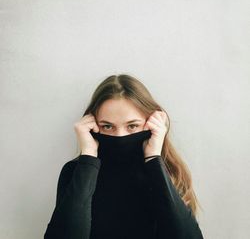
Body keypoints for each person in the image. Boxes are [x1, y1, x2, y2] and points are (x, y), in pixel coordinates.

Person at [44, 74, 204, 239]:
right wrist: (88, 159)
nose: (120, 136)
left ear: (150, 123)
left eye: (132, 126)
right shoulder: (75, 172)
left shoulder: (170, 171)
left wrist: (153, 158)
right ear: (93, 125)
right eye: (107, 126)